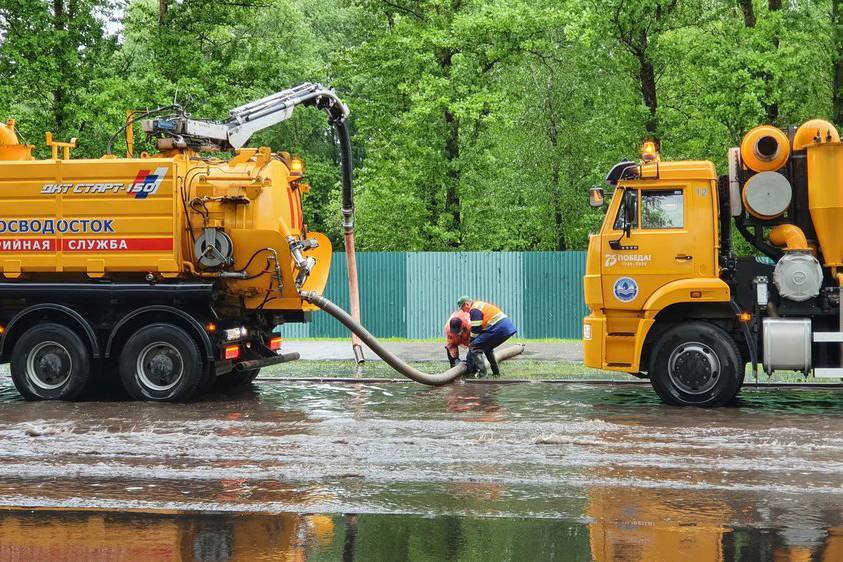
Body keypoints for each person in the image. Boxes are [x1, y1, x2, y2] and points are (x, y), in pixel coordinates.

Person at [457, 296, 517, 377]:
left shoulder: (474, 309)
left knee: (474, 348)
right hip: (506, 327)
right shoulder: (479, 305)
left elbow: (476, 329)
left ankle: (482, 375)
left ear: (466, 304)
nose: (463, 311)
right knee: (487, 348)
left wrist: (471, 342)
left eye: (462, 308)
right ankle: (496, 373)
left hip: (498, 327)